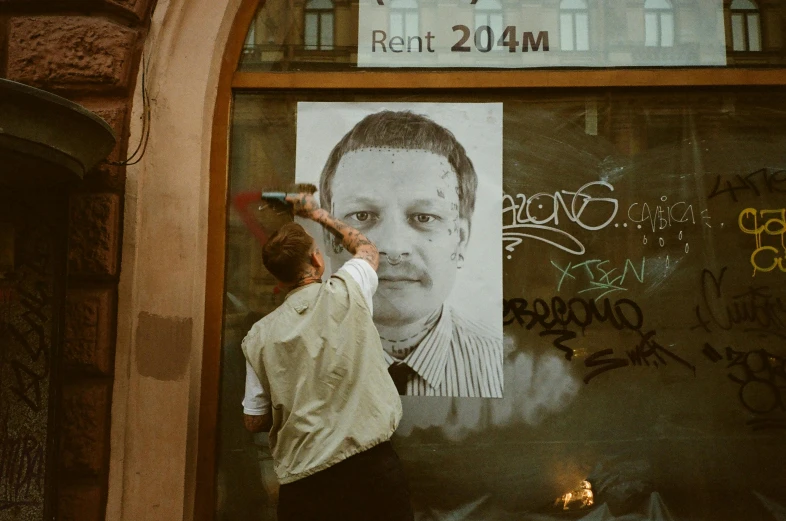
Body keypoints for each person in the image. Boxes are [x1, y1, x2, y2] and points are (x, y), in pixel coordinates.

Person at [241, 192, 414, 521]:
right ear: (317, 261)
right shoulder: (347, 290)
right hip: (371, 472)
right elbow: (366, 249)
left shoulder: (259, 338)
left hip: (305, 485)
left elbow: (254, 421)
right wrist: (317, 213)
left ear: (277, 277)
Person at [317, 109, 503, 397]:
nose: (393, 247)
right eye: (363, 215)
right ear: (330, 238)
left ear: (461, 240)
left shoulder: (506, 366)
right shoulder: (284, 355)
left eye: (424, 217)